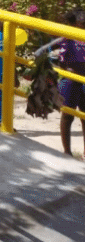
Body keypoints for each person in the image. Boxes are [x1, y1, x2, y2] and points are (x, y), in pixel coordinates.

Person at [55, 9, 85, 156]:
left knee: (84, 116)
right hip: (70, 80)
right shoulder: (68, 38)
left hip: (84, 78)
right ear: (73, 23)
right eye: (81, 24)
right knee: (67, 116)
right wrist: (69, 71)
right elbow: (61, 61)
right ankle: (67, 152)